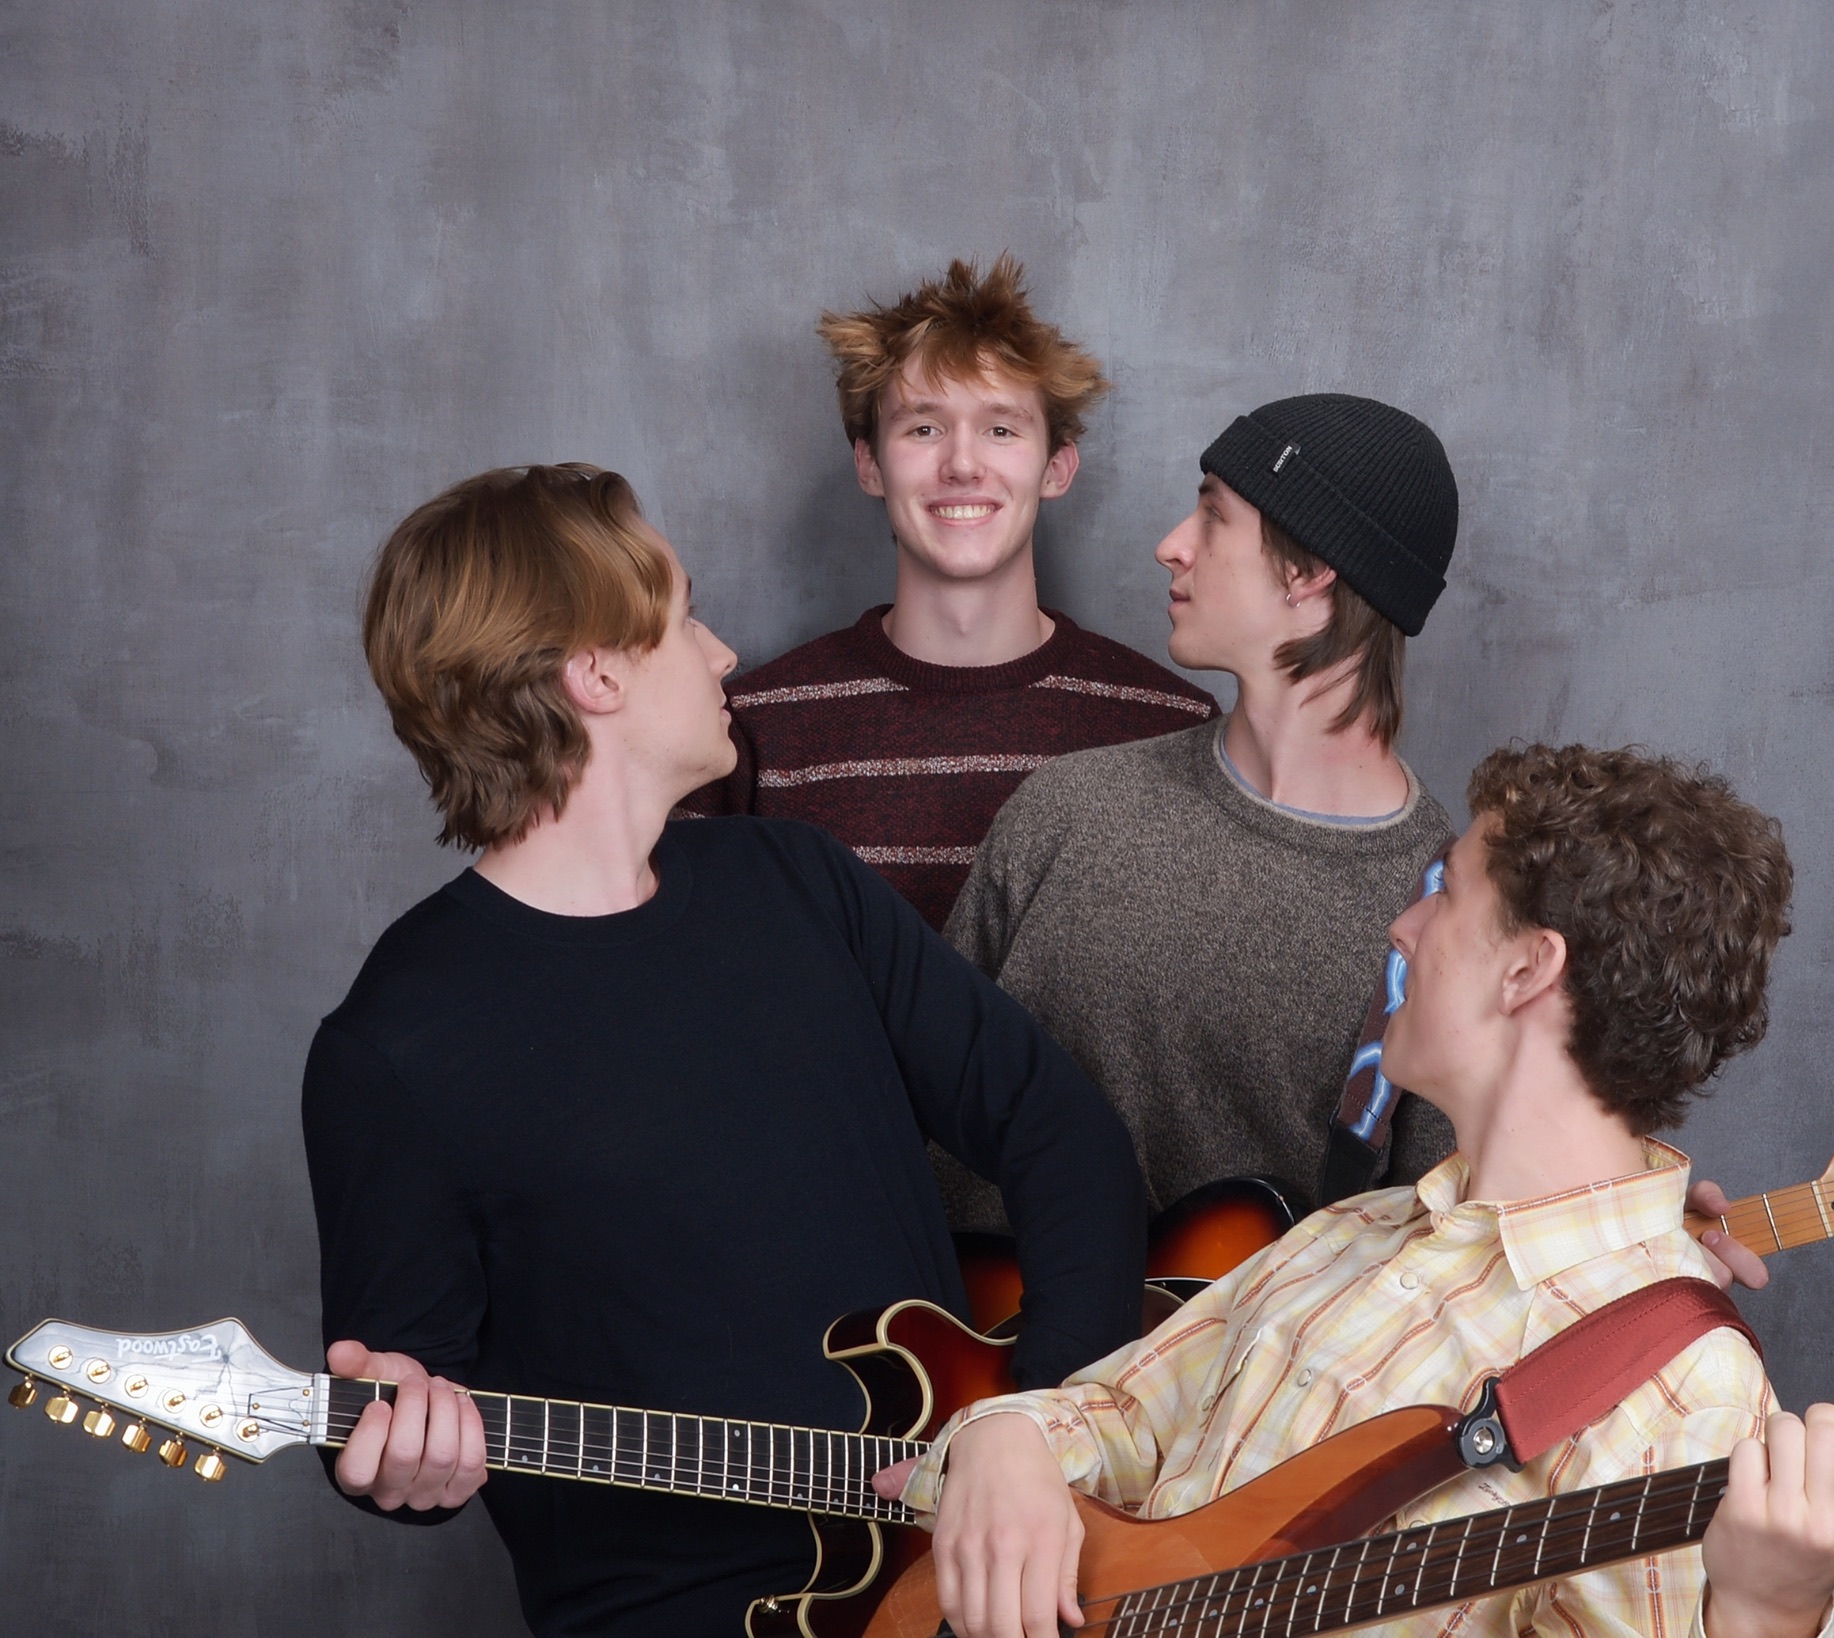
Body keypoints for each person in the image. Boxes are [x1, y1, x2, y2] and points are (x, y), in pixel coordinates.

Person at [300, 464, 1146, 1636]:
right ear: (593, 674)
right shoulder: (392, 1046)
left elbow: (1064, 1137)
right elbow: (402, 1415)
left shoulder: (794, 881)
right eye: (685, 615)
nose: (725, 653)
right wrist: (404, 1467)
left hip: (950, 1584)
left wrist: (1032, 1425)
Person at [885, 744, 1834, 1638]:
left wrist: (1765, 1618)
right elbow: (1113, 1415)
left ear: (1524, 971)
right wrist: (1006, 1444)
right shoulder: (1352, 1234)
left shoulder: (1680, 1389)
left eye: (1444, 893)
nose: (1403, 926)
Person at [935, 393, 1463, 1226]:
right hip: (975, 1348)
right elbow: (922, 1112)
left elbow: (1456, 1248)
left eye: (1213, 517)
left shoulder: (1445, 911)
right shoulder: (1066, 811)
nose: (1171, 546)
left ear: (1310, 569)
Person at [685, 254, 1216, 929]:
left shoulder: (1169, 726)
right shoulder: (750, 730)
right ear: (870, 464)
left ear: (1057, 467)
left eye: (1000, 429)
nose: (962, 464)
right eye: (923, 428)